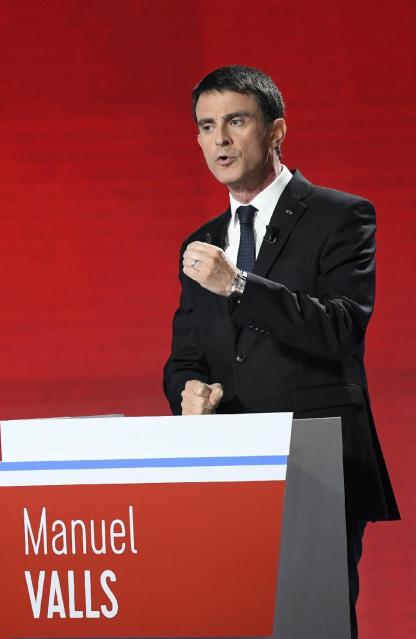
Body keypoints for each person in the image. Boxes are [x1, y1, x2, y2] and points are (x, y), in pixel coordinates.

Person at [163, 65, 398, 637]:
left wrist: (240, 286)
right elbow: (185, 361)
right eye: (206, 126)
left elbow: (342, 328)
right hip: (229, 470)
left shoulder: (340, 216)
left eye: (235, 122)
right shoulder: (202, 243)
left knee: (311, 626)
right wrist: (188, 395)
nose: (219, 140)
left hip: (317, 467)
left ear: (275, 131)